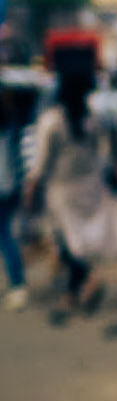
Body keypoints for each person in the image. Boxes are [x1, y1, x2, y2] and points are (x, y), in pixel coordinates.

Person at [26, 61, 117, 314]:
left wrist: (32, 187)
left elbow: (41, 161)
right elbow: (105, 151)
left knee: (65, 242)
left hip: (61, 190)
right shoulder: (92, 119)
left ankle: (86, 279)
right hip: (90, 186)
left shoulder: (52, 121)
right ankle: (74, 294)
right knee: (76, 241)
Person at [0, 82, 28, 309]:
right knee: (8, 235)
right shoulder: (12, 124)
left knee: (6, 237)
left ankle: (18, 285)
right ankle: (17, 283)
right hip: (11, 186)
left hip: (4, 187)